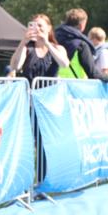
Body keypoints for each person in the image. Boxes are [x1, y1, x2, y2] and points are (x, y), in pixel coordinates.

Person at [10, 14, 69, 183]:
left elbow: (64, 64)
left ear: (49, 28)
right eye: (33, 25)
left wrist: (47, 43)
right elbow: (15, 65)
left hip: (49, 105)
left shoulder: (58, 48)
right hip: (28, 103)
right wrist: (23, 42)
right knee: (26, 143)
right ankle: (24, 183)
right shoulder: (27, 49)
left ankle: (43, 182)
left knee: (45, 144)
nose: (37, 29)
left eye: (41, 26)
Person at [54, 8, 108, 83]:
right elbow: (93, 73)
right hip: (74, 85)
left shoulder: (53, 40)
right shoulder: (81, 45)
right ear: (81, 25)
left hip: (54, 84)